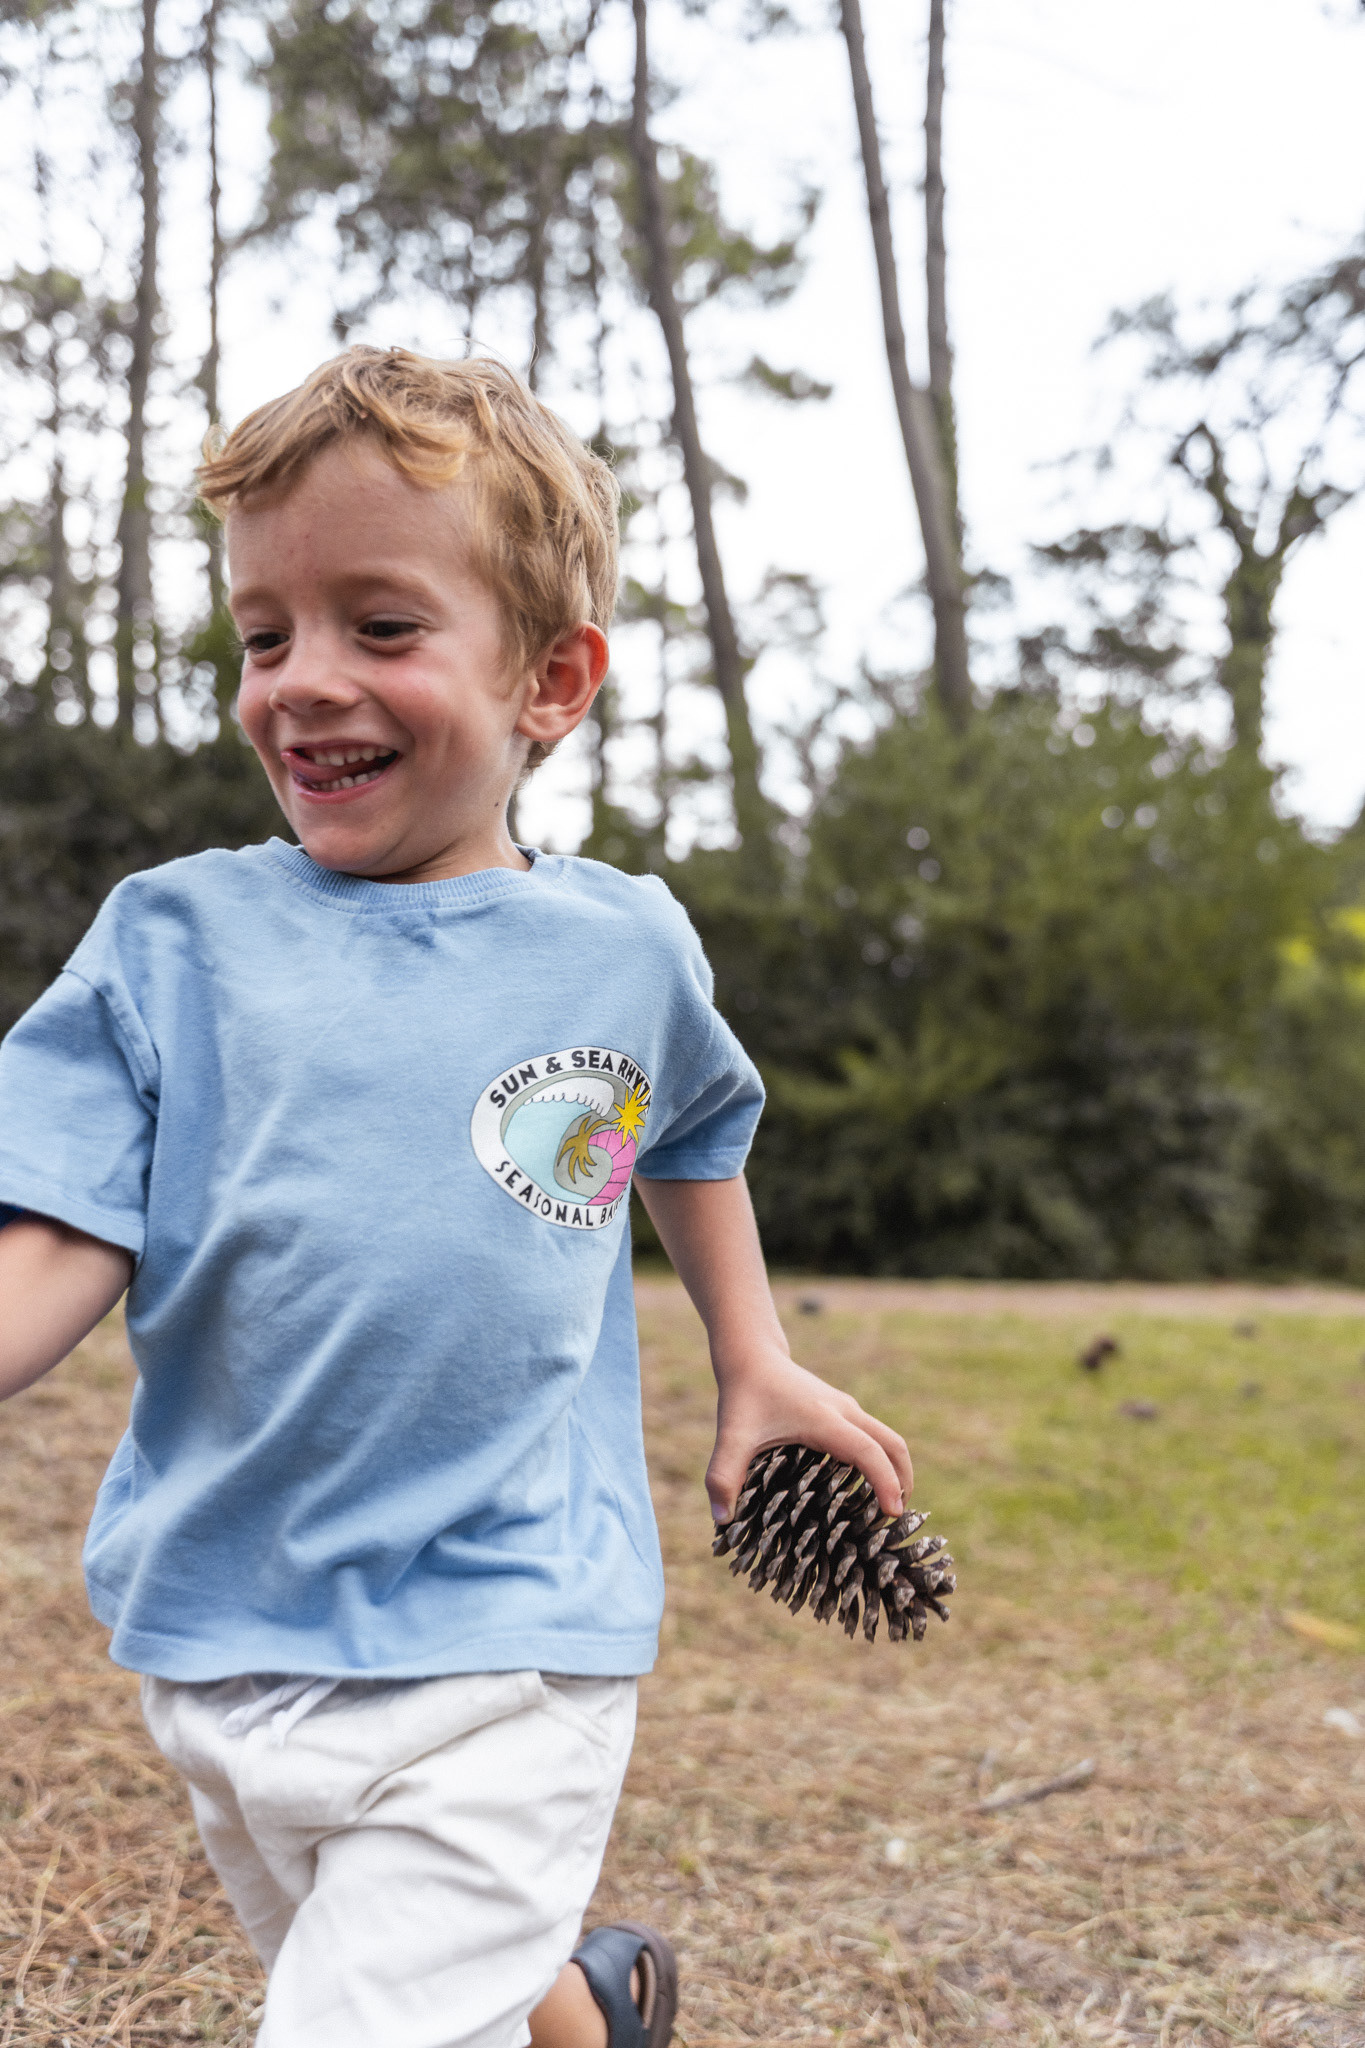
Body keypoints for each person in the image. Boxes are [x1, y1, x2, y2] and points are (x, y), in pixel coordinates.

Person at [0, 346, 914, 2048]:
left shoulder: (618, 946)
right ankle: (594, 2012)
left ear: (550, 681)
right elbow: (62, 1224)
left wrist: (754, 1356)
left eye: (383, 626)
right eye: (263, 635)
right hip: (224, 1629)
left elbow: (688, 1131)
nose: (301, 681)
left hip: (509, 1640)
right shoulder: (171, 940)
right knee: (429, 1996)